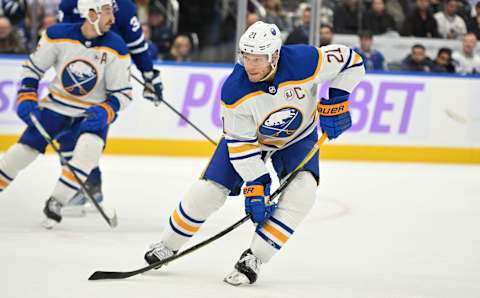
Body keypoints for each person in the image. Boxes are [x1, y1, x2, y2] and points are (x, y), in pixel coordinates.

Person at [143, 21, 365, 286]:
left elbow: (352, 61)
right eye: (246, 57)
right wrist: (257, 184)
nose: (250, 66)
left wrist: (338, 99)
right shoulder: (234, 90)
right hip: (251, 143)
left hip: (297, 138)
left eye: (258, 59)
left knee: (303, 192)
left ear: (275, 56)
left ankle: (255, 257)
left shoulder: (305, 61)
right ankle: (168, 244)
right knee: (208, 191)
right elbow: (240, 146)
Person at [0, 0, 132, 229]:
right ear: (91, 14)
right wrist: (27, 95)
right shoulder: (57, 35)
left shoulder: (116, 46)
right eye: (108, 12)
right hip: (56, 107)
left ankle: (57, 202)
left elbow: (122, 93)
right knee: (22, 152)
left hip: (91, 113)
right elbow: (33, 68)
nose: (113, 19)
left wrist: (107, 109)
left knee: (87, 154)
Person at [57, 0, 163, 212]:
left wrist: (150, 76)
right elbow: (63, 38)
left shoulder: (123, 7)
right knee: (66, 132)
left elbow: (138, 46)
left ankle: (88, 185)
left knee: (90, 130)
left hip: (104, 80)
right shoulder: (70, 3)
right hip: (74, 73)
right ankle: (85, 185)